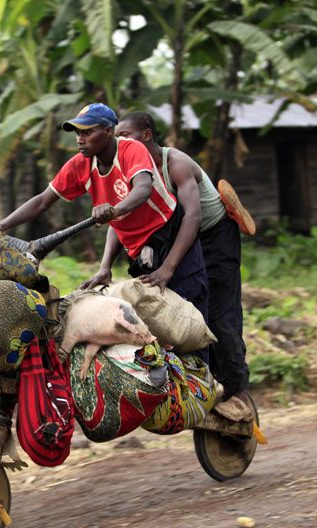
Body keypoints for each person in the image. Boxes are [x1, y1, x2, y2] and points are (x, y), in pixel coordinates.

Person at [0, 103, 210, 363]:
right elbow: (42, 200)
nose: (80, 139)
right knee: (157, 326)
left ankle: (203, 391)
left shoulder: (131, 149)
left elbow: (142, 189)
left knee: (189, 322)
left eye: (87, 132)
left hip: (169, 235)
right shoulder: (79, 166)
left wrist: (167, 267)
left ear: (109, 131)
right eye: (77, 133)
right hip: (139, 252)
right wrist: (0, 226)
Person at [112, 111, 253, 406]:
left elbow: (193, 216)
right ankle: (202, 386)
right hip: (175, 241)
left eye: (125, 136)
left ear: (147, 135)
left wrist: (168, 268)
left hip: (212, 237)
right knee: (183, 317)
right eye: (117, 137)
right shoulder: (128, 169)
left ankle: (238, 393)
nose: (120, 142)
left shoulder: (174, 162)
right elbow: (119, 217)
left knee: (219, 316)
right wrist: (104, 267)